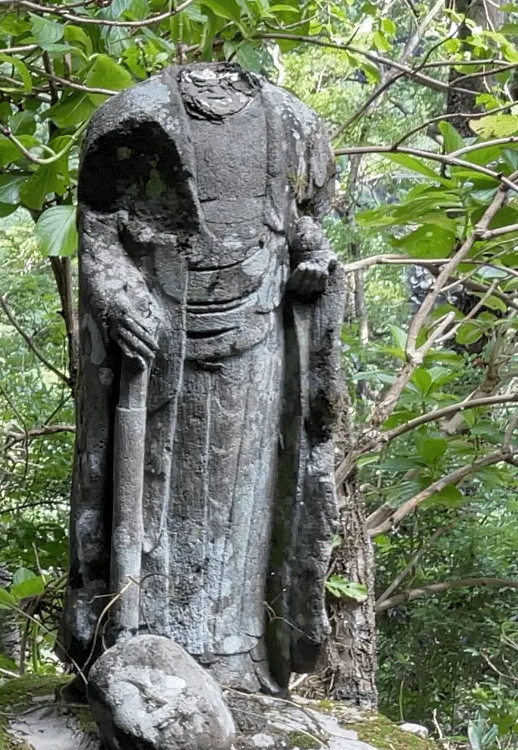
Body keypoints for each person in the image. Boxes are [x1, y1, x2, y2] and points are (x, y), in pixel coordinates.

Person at [64, 63, 343, 692]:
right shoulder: (135, 118)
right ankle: (134, 647)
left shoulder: (291, 123)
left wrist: (314, 260)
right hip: (157, 344)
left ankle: (236, 657)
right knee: (148, 498)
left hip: (257, 343)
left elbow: (303, 224)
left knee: (246, 505)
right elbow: (99, 231)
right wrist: (117, 295)